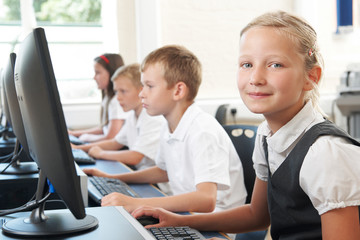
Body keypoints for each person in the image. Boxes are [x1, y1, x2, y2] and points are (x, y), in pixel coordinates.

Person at [131, 11, 360, 240]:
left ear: (311, 77)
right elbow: (257, 216)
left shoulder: (326, 154)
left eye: (275, 65)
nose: (255, 78)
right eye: (247, 64)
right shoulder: (267, 135)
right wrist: (180, 220)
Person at [83, 45, 247, 216]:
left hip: (215, 222)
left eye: (149, 86)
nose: (142, 94)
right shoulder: (168, 125)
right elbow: (163, 171)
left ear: (178, 91)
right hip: (187, 213)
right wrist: (114, 179)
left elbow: (206, 200)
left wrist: (136, 203)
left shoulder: (202, 131)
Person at [74, 63, 164, 170]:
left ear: (141, 91)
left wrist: (101, 153)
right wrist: (78, 149)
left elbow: (135, 157)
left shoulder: (152, 118)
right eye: (116, 92)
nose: (118, 97)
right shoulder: (133, 116)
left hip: (156, 183)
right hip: (141, 172)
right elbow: (115, 143)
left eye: (123, 91)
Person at [68, 53, 128, 143]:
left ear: (112, 73)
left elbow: (111, 137)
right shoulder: (108, 98)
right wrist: (74, 133)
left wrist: (86, 138)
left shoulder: (117, 101)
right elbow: (104, 128)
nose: (94, 77)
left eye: (98, 72)